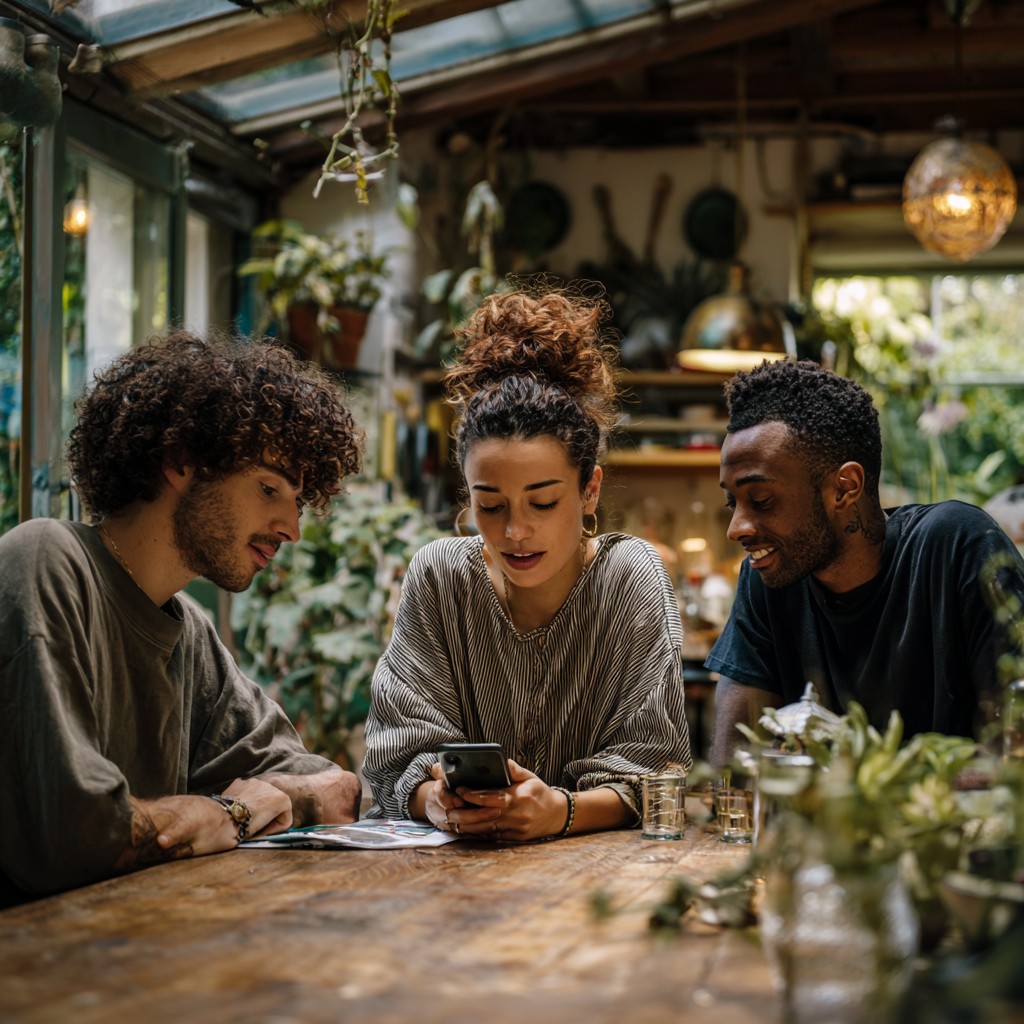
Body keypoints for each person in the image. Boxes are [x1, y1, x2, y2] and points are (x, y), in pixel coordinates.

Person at [0, 330, 365, 907]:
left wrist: (255, 808)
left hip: (135, 954)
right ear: (180, 461)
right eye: (269, 488)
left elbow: (338, 788)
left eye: (297, 501)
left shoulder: (189, 630)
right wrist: (232, 811)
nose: (292, 528)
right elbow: (76, 834)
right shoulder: (46, 562)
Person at [362, 288, 692, 842]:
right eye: (489, 505)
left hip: (601, 882)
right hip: (455, 884)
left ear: (590, 490)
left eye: (543, 502)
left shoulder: (631, 576)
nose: (514, 532)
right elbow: (398, 763)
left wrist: (559, 811)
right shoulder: (440, 577)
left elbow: (657, 770)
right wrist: (437, 802)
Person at [707, 358, 1024, 766]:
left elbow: (1013, 757)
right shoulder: (769, 577)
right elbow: (733, 764)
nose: (737, 529)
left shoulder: (956, 546)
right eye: (733, 502)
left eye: (761, 500)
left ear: (845, 488)